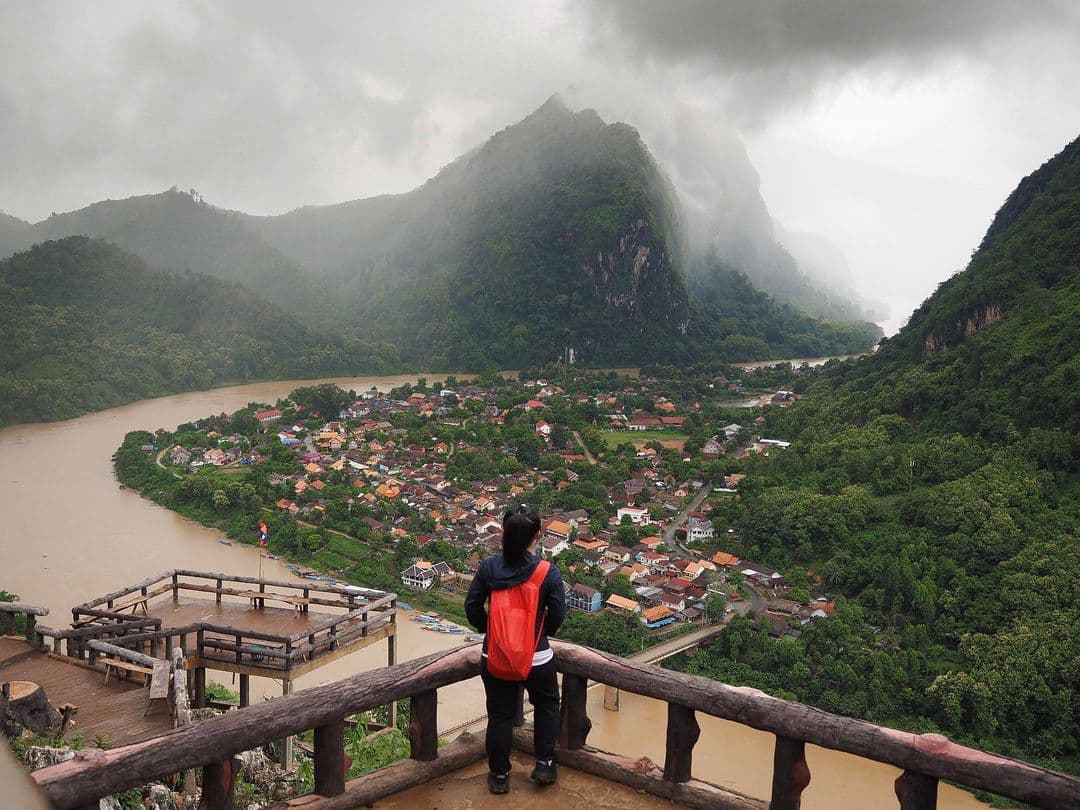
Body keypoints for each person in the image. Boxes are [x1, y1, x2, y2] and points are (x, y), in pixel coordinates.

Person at [465, 504, 567, 795]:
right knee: (546, 705)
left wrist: (489, 630)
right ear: (536, 535)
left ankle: (499, 776)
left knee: (500, 715)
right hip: (537, 656)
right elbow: (558, 612)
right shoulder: (548, 572)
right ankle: (545, 764)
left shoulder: (489, 568)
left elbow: (472, 606)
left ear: (504, 532)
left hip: (496, 654)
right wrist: (543, 634)